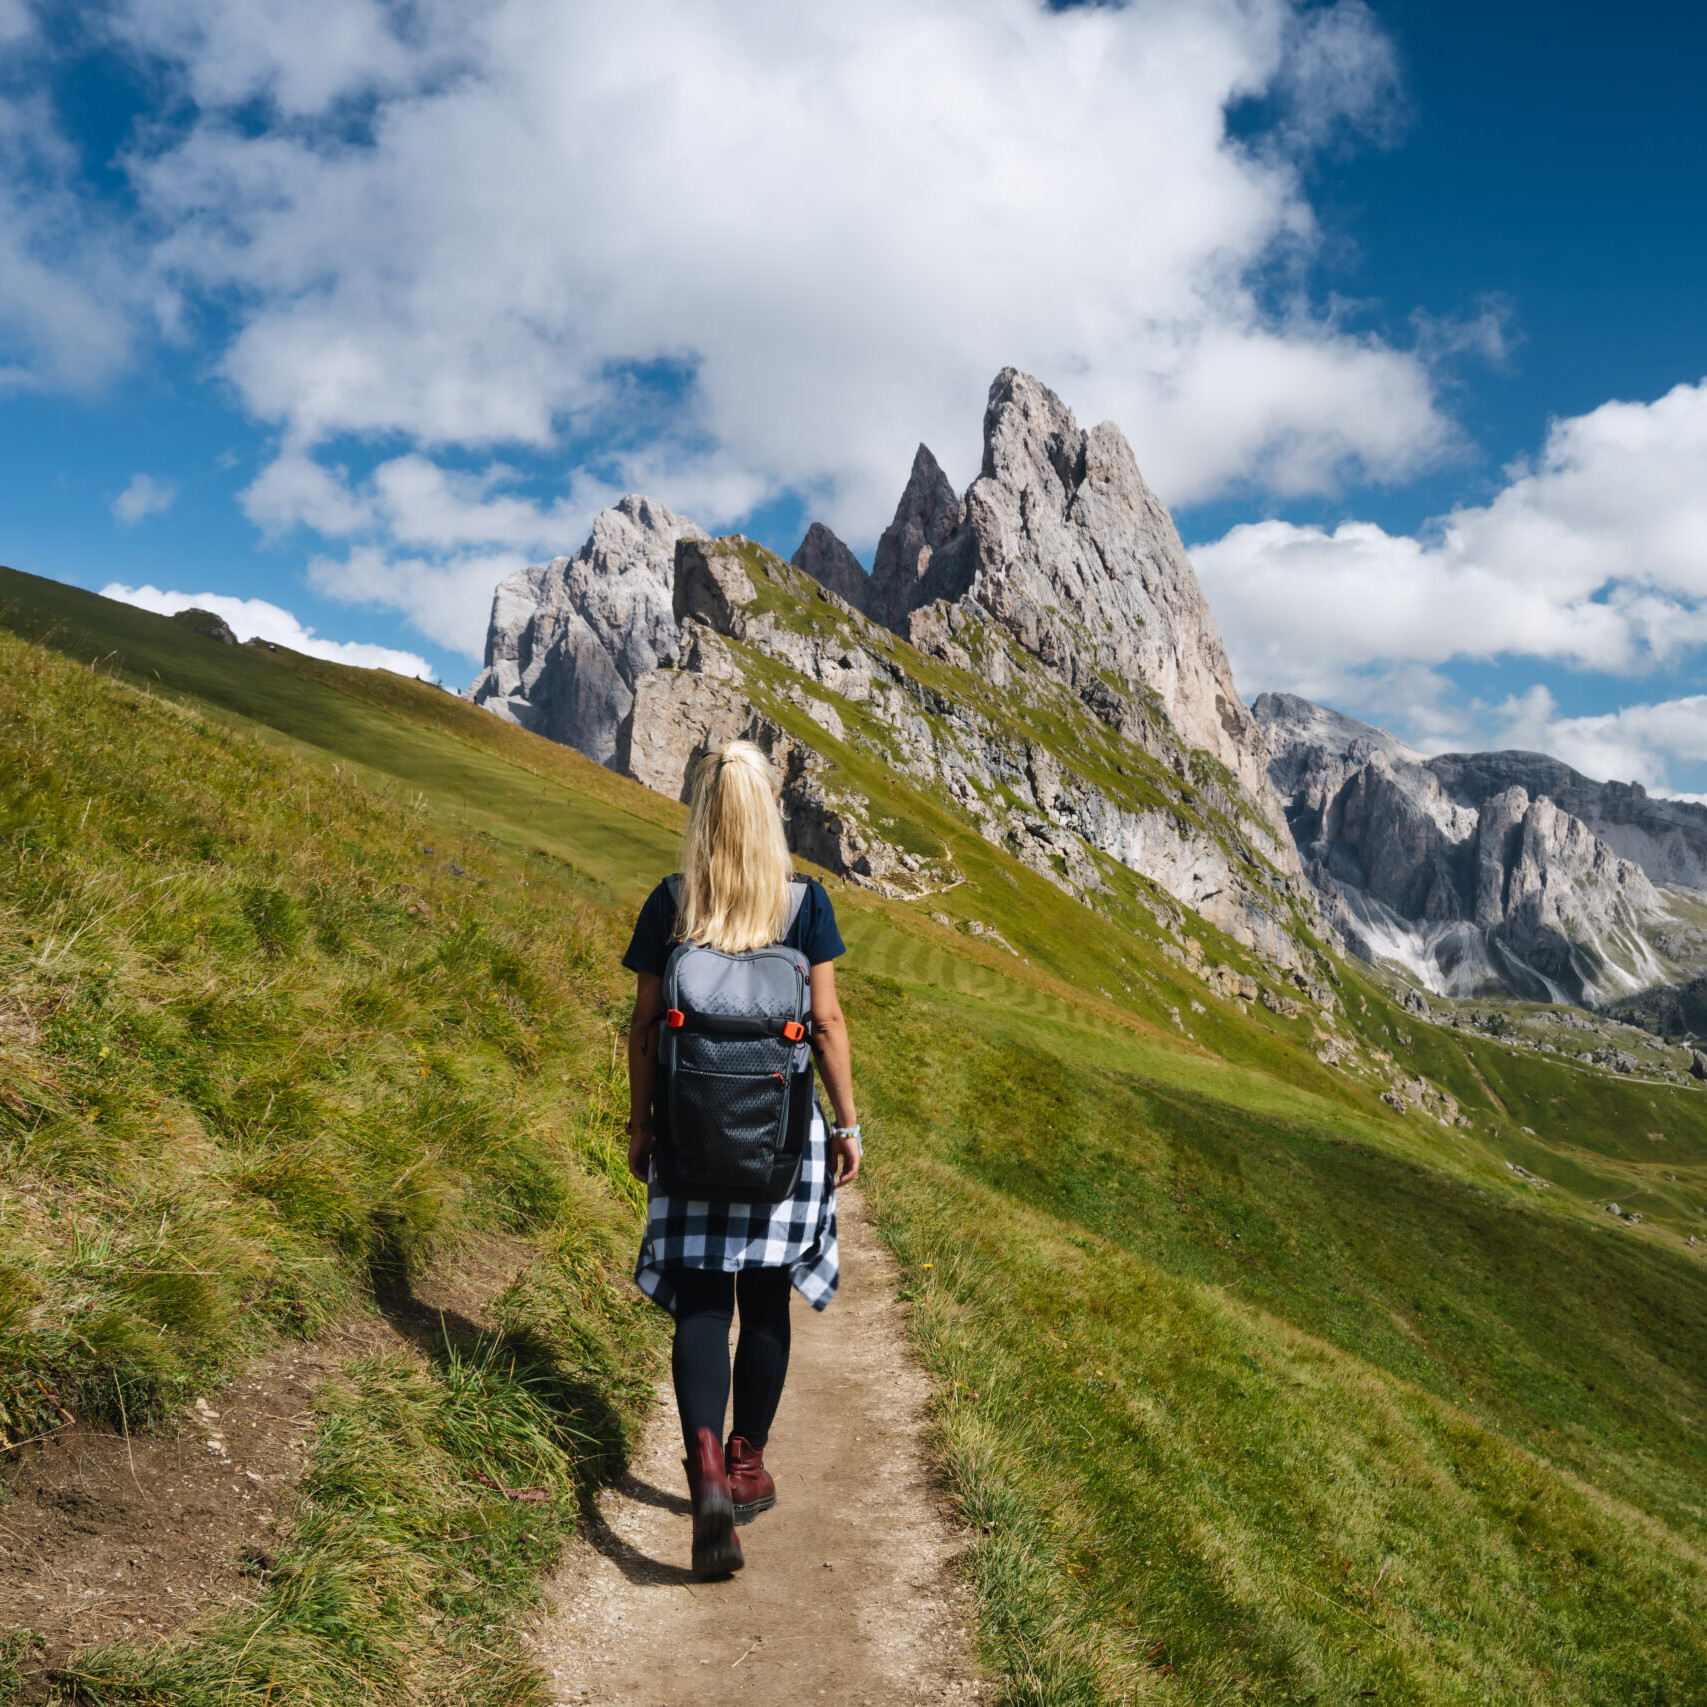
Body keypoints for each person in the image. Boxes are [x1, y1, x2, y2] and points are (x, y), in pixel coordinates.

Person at [623, 739, 862, 1579]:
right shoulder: (804, 904)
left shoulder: (670, 901)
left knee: (700, 1299)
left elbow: (645, 1027)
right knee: (763, 1301)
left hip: (688, 1135)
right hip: (778, 1141)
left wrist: (640, 1125)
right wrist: (847, 1124)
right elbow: (827, 1024)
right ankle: (747, 1457)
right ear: (767, 813)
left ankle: (704, 1472)